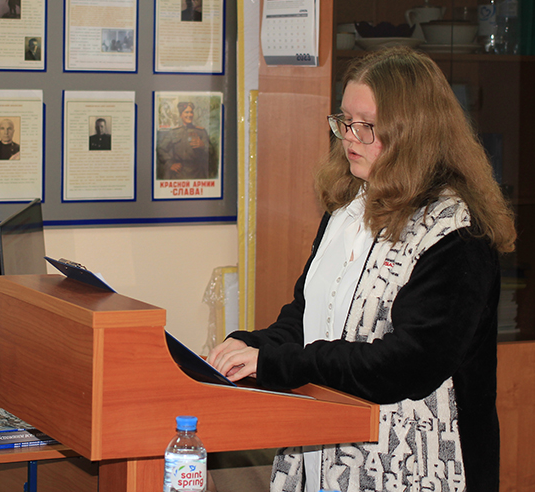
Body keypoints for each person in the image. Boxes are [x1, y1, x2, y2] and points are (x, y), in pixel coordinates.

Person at [207, 47, 514, 492]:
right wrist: (252, 346)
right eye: (344, 121)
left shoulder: (456, 232)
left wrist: (279, 362)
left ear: (413, 132)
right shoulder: (347, 209)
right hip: (325, 445)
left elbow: (407, 363)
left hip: (415, 464)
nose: (349, 137)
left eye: (366, 126)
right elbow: (307, 316)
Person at [157, 101, 212, 179]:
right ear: (181, 115)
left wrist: (203, 146)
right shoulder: (173, 132)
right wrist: (169, 163)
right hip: (178, 174)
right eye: (186, 112)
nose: (189, 115)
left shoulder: (201, 131)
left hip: (197, 174)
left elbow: (211, 152)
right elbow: (160, 149)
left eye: (191, 112)